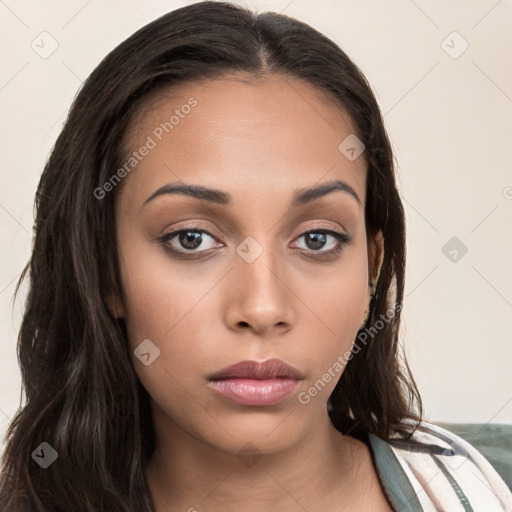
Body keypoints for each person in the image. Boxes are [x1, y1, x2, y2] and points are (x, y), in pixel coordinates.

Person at [1, 2, 511, 511]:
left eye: (317, 239)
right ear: (104, 271)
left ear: (371, 271)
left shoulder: (482, 490)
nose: (263, 308)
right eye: (192, 238)